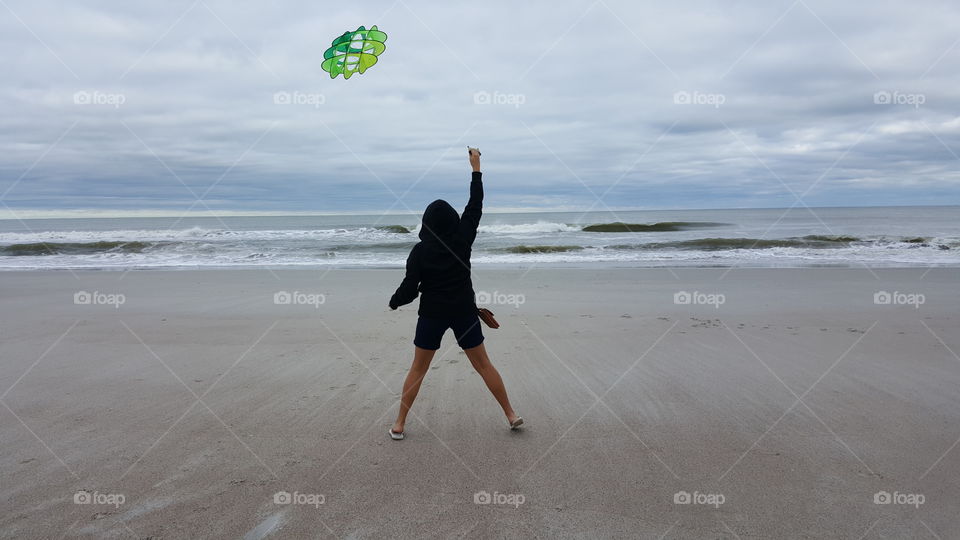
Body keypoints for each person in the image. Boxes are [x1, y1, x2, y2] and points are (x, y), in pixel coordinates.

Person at [387, 147, 522, 440]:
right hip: (463, 311)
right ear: (451, 221)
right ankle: (511, 414)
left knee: (418, 369)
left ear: (426, 223)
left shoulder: (420, 251)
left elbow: (409, 289)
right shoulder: (462, 240)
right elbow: (475, 206)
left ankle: (399, 424)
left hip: (432, 314)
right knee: (484, 365)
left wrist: (395, 302)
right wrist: (476, 168)